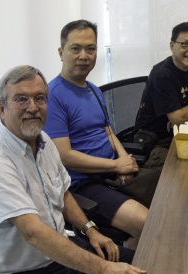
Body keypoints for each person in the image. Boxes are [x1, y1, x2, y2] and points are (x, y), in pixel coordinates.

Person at [0, 65, 153, 274]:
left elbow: (64, 192)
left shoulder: (42, 141)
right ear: (1, 108)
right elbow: (33, 234)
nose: (33, 107)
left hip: (57, 252)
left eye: (40, 98)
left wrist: (91, 231)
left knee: (144, 266)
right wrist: (104, 270)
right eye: (21, 99)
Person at [44, 20, 148, 247]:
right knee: (150, 223)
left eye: (90, 49)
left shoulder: (92, 89)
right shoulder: (53, 96)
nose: (84, 55)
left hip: (110, 172)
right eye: (76, 48)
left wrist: (122, 158)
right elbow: (65, 156)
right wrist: (115, 166)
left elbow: (107, 130)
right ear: (61, 53)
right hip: (83, 185)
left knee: (169, 200)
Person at [134, 21, 188, 166]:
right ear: (172, 46)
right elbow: (178, 118)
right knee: (186, 171)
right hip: (157, 140)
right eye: (185, 44)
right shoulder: (161, 75)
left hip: (185, 130)